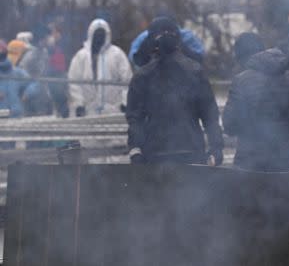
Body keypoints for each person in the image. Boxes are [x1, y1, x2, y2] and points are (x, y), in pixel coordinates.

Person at [126, 16, 224, 165]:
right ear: (178, 40)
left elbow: (135, 118)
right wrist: (216, 147)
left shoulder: (142, 76)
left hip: (154, 155)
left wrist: (135, 149)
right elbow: (210, 115)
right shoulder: (195, 71)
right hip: (192, 152)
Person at [223, 33, 289, 172]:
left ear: (240, 56)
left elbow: (229, 124)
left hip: (249, 164)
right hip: (284, 163)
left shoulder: (241, 81)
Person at [67, 19, 132, 117]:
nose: (99, 38)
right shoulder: (81, 56)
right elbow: (74, 82)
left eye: (102, 34)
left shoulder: (117, 54)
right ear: (90, 34)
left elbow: (127, 80)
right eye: (96, 34)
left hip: (114, 111)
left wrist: (125, 102)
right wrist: (78, 104)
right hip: (87, 112)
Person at [128, 15, 205, 67]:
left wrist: (181, 47)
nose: (165, 36)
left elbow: (199, 57)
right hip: (151, 77)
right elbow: (134, 58)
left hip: (181, 75)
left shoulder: (186, 36)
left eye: (169, 31)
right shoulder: (145, 36)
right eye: (161, 32)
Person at [17, 25, 53, 116]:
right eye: (47, 37)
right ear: (41, 39)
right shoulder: (30, 55)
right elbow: (21, 74)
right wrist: (29, 90)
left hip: (43, 95)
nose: (50, 39)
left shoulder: (44, 52)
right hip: (31, 97)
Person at [0, 40, 30, 118]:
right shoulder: (18, 72)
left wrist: (28, 93)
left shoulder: (18, 72)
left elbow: (33, 83)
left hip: (16, 115)